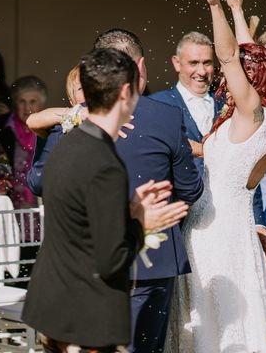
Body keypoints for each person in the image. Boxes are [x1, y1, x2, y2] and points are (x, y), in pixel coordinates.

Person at [22, 48, 190, 353]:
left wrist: (128, 210)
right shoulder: (104, 163)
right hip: (84, 315)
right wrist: (141, 224)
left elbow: (80, 224)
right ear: (126, 92)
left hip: (53, 303)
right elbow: (111, 258)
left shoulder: (67, 142)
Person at [166, 0, 266, 352]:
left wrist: (215, 6)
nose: (223, 73)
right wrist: (239, 10)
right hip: (230, 229)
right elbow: (247, 56)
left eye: (237, 73)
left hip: (215, 232)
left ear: (251, 81)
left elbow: (229, 56)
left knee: (214, 326)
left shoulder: (251, 111)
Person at [92, 29, 204, 353]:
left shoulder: (76, 118)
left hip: (93, 257)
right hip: (152, 258)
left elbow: (39, 181)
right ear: (140, 67)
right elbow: (190, 189)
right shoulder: (165, 116)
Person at [150, 32, 217, 167]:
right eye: (193, 63)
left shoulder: (227, 103)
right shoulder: (156, 104)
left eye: (207, 63)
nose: (202, 71)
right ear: (177, 63)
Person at [0, 75, 46, 211]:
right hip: (7, 204)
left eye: (33, 101)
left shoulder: (51, 130)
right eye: (22, 101)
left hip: (41, 204)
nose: (27, 107)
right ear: (14, 103)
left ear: (41, 105)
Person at [27, 65, 84, 195]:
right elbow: (38, 181)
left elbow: (37, 182)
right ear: (72, 101)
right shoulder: (62, 129)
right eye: (81, 88)